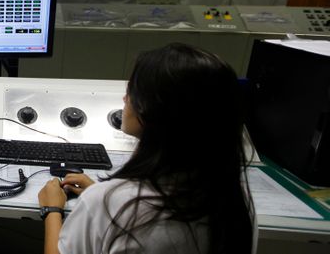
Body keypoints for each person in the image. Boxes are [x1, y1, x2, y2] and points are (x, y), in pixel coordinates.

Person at [38, 43, 255, 253]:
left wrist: (53, 209)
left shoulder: (106, 204)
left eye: (131, 91)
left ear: (149, 110)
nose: (124, 98)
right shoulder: (234, 204)